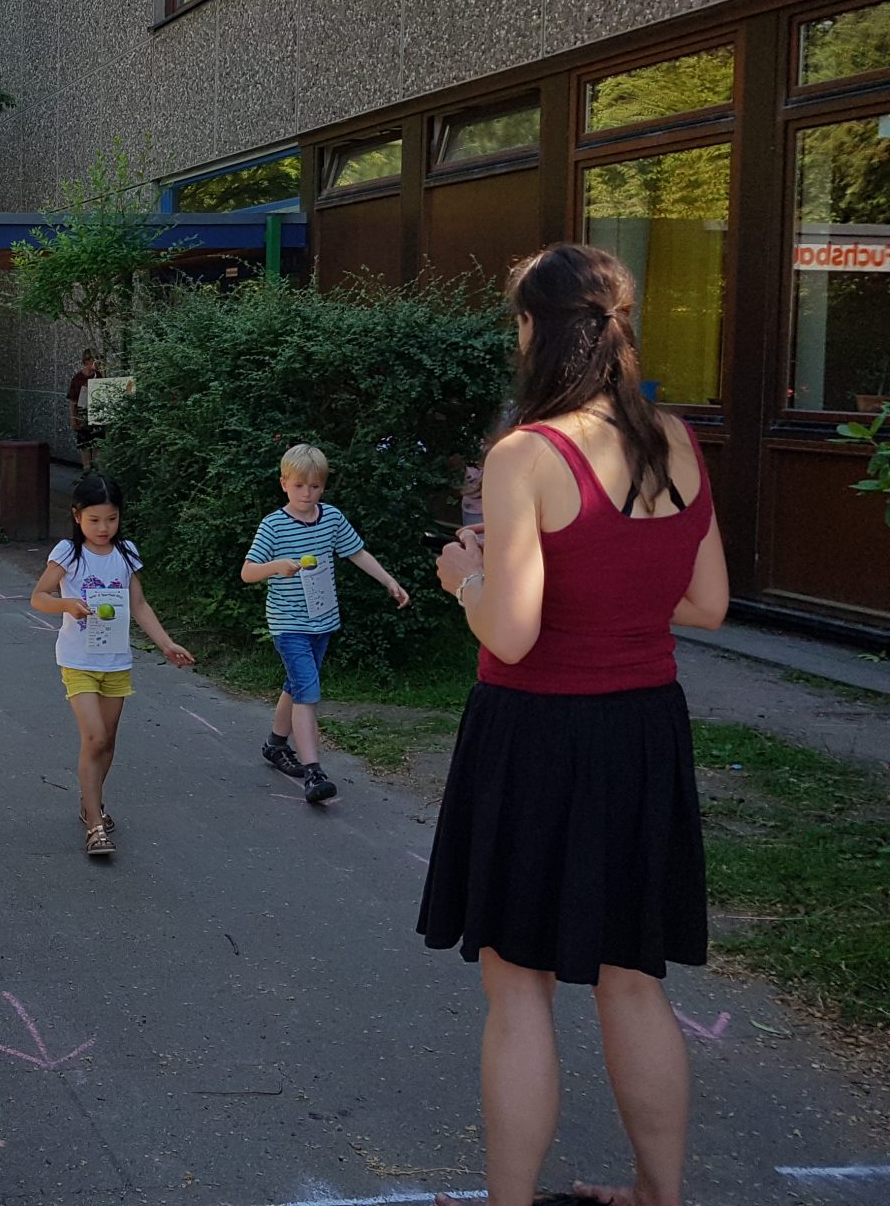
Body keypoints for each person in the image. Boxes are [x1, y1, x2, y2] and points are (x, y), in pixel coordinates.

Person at [421, 244, 728, 1206]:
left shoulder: (525, 453)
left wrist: (465, 577)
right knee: (632, 980)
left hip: (537, 735)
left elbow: (511, 635)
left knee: (519, 989)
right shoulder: (674, 439)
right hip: (644, 734)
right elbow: (708, 603)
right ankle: (659, 1197)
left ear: (536, 330)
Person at [29, 475, 193, 859]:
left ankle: (91, 801)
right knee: (95, 737)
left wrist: (166, 644)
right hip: (78, 660)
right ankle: (95, 826)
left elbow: (139, 604)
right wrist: (66, 604)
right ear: (77, 516)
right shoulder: (68, 553)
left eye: (112, 519)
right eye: (94, 520)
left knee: (108, 740)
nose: (104, 528)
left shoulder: (125, 553)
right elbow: (39, 596)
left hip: (116, 660)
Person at [240, 443, 410, 805]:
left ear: (323, 486)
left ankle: (275, 744)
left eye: (315, 486)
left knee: (296, 683)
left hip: (323, 621)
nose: (307, 493)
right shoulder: (273, 526)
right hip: (288, 624)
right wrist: (276, 566)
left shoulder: (331, 518)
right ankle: (314, 772)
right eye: (299, 486)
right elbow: (248, 572)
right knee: (307, 691)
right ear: (284, 484)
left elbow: (356, 552)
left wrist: (388, 581)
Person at [65, 350, 102, 470]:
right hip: (82, 414)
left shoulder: (99, 375)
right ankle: (86, 468)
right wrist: (73, 418)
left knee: (98, 442)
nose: (97, 363)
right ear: (87, 361)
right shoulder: (78, 379)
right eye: (94, 360)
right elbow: (72, 400)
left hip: (97, 414)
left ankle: (97, 469)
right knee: (84, 443)